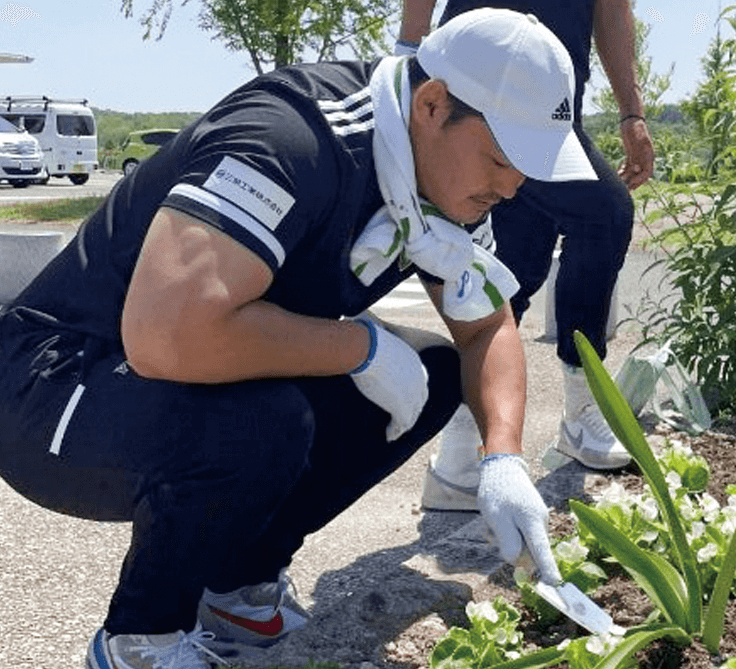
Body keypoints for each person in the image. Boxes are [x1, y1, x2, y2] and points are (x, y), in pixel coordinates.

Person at [0, 9, 590, 668]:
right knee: (266, 421)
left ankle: (237, 586)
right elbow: (163, 335)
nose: (513, 187)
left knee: (432, 373)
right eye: (503, 157)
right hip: (50, 387)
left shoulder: (442, 185)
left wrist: (502, 458)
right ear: (431, 104)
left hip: (175, 373)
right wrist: (359, 347)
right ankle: (142, 637)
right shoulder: (293, 142)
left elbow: (488, 327)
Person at [400, 0, 657, 512]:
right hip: (481, 91)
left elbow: (610, 9)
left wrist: (631, 110)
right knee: (603, 215)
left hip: (552, 109)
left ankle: (459, 458)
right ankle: (583, 407)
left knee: (514, 269)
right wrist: (409, 54)